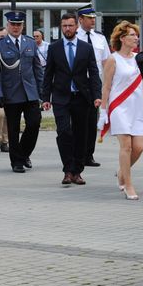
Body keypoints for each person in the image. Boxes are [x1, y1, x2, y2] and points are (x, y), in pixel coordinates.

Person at [41, 13, 101, 186]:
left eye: (70, 25)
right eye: (64, 26)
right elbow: (48, 74)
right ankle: (68, 169)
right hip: (61, 97)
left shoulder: (86, 48)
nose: (67, 28)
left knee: (81, 135)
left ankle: (78, 171)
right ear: (61, 27)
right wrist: (46, 97)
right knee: (64, 132)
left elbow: (94, 73)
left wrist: (97, 95)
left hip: (82, 97)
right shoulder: (54, 48)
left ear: (76, 27)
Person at [0, 11, 43, 173]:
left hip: (30, 92)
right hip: (10, 93)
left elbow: (37, 69)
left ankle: (24, 153)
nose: (16, 27)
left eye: (19, 24)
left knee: (34, 124)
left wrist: (42, 92)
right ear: (7, 25)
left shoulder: (30, 43)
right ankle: (16, 162)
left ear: (23, 26)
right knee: (13, 129)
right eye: (13, 24)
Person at [99, 21, 143, 200]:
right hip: (119, 107)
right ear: (122, 38)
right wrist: (103, 111)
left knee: (139, 148)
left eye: (136, 35)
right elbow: (106, 87)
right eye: (132, 35)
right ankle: (128, 184)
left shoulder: (139, 58)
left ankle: (121, 173)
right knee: (126, 147)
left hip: (136, 107)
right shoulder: (113, 59)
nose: (136, 38)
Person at [76, 4, 110, 168]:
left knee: (91, 120)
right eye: (89, 19)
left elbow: (106, 62)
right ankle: (78, 154)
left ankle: (89, 154)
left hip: (94, 83)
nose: (92, 21)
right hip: (78, 83)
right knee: (78, 121)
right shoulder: (74, 37)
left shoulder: (99, 38)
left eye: (94, 19)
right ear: (80, 19)